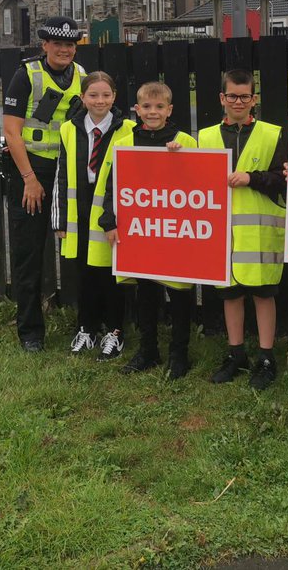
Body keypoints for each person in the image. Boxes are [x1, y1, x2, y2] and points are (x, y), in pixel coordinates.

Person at [100, 81, 199, 380]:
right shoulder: (124, 142)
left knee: (179, 292)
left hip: (177, 231)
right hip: (140, 231)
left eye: (159, 107)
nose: (152, 112)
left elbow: (200, 184)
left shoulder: (185, 141)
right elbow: (112, 184)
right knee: (145, 291)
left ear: (170, 110)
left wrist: (181, 158)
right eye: (146, 106)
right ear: (137, 109)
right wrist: (109, 220)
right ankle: (148, 350)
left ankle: (179, 354)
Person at [1, 16, 86, 352]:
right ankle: (30, 332)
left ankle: (86, 324)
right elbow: (12, 132)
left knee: (79, 249)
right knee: (29, 253)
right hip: (32, 169)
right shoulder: (26, 75)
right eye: (58, 43)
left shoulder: (82, 76)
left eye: (70, 44)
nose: (64, 49)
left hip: (68, 171)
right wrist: (29, 180)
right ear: (45, 45)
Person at [199, 69, 287, 391]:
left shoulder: (272, 134)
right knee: (231, 295)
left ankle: (266, 358)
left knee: (264, 295)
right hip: (222, 233)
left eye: (245, 96)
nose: (238, 102)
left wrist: (252, 178)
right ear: (222, 98)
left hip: (259, 232)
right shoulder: (205, 137)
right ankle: (235, 354)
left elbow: (282, 178)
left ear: (254, 99)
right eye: (233, 96)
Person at [52, 71, 133, 361]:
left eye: (106, 95)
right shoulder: (68, 129)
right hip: (80, 209)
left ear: (114, 97)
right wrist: (60, 219)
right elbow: (62, 175)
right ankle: (86, 328)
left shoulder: (128, 128)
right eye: (93, 95)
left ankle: (115, 331)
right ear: (83, 97)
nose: (100, 100)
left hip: (113, 212)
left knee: (112, 274)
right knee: (84, 273)